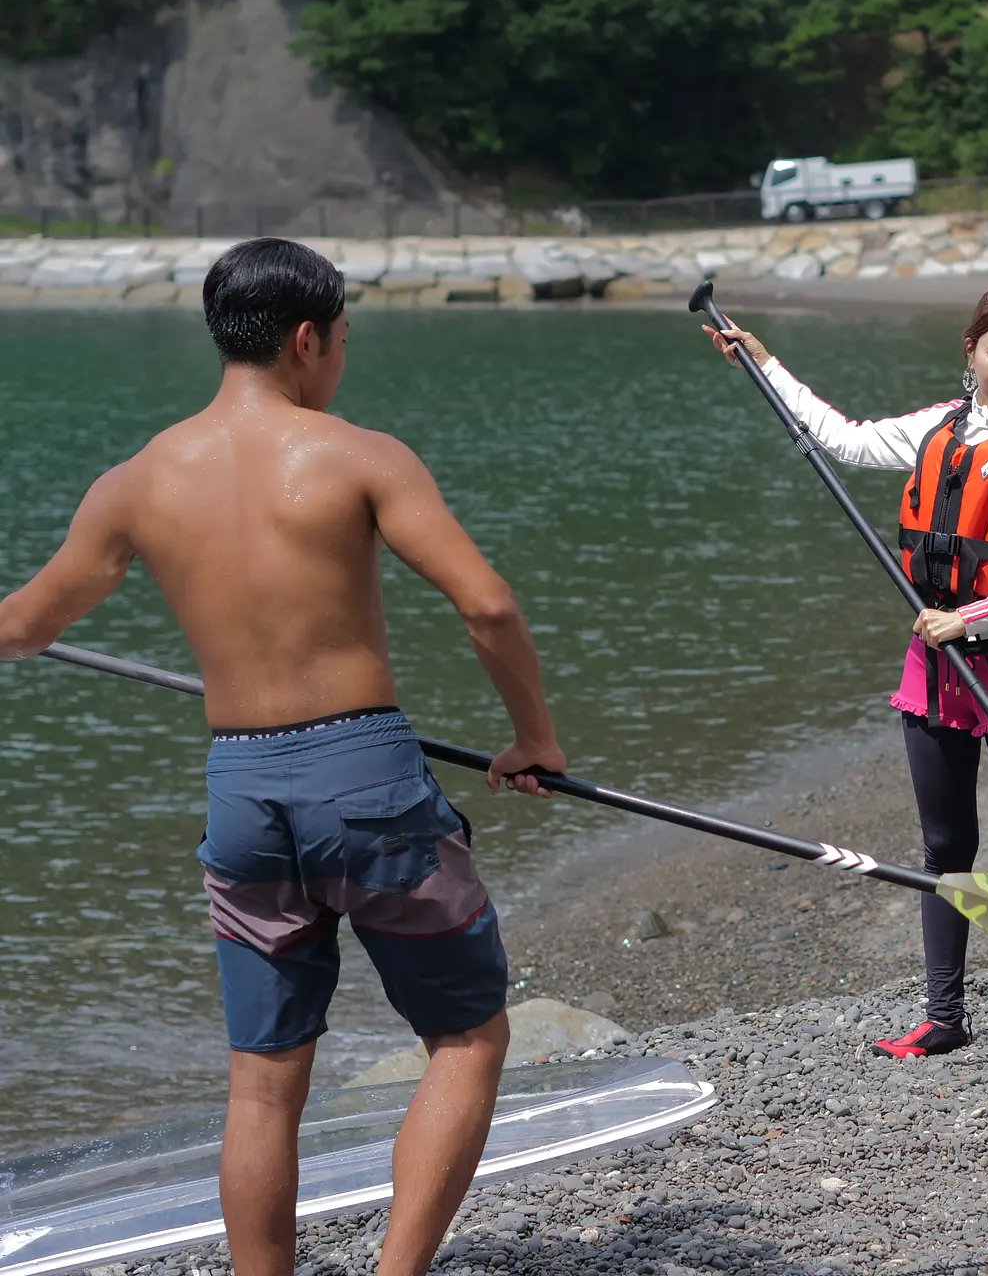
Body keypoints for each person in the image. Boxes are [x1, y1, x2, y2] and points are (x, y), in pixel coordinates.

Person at [0, 238, 567, 1276]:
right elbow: (485, 601)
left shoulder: (134, 481)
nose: (340, 359)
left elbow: (25, 624)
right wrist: (533, 737)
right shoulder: (357, 454)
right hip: (368, 784)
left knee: (263, 1081)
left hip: (244, 795)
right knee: (469, 1036)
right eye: (342, 340)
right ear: (308, 338)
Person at [705, 278, 988, 1074]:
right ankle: (943, 1017)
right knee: (945, 846)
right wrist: (765, 364)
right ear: (971, 351)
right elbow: (842, 439)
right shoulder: (937, 428)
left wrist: (970, 619)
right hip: (936, 666)